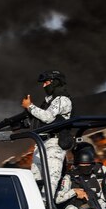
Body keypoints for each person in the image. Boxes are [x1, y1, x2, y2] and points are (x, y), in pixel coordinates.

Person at [21, 70, 73, 199]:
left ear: (55, 82)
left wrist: (30, 107)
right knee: (34, 183)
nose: (44, 86)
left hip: (54, 145)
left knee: (49, 185)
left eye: (46, 82)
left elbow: (48, 117)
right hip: (41, 144)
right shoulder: (48, 102)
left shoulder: (62, 100)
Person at [55, 144, 106, 209]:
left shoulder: (98, 175)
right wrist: (74, 192)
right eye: (83, 165)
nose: (86, 167)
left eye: (88, 165)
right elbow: (58, 199)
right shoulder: (69, 177)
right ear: (77, 164)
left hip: (94, 208)